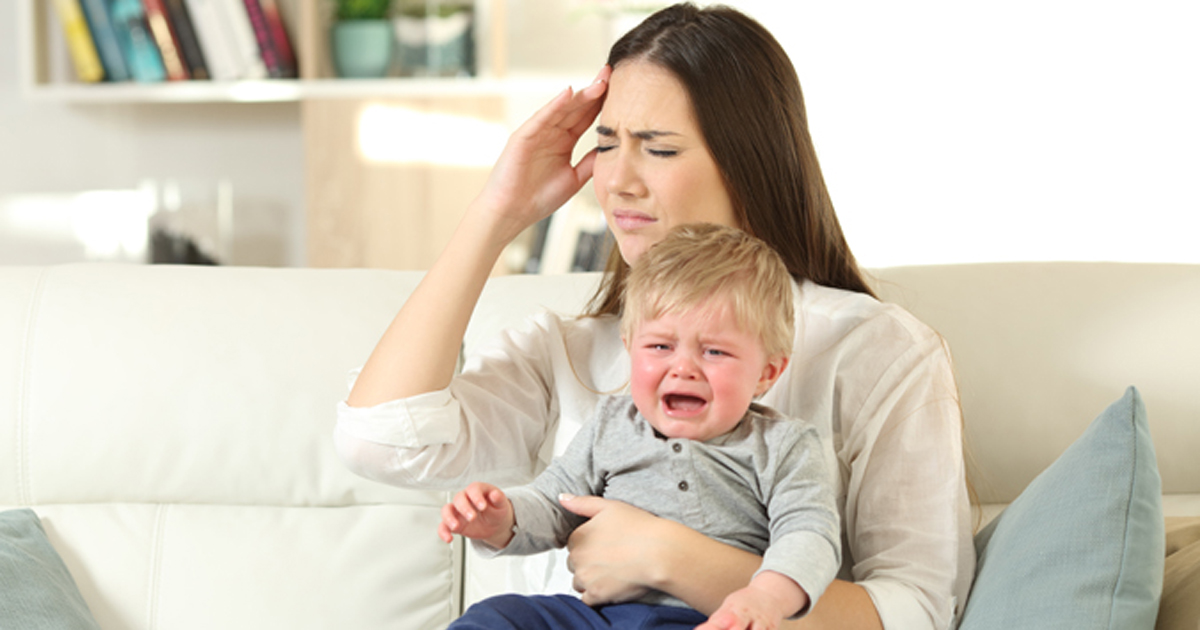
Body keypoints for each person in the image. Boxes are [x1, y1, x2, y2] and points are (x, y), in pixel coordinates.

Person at [335, 4, 974, 629]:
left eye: (659, 149)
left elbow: (918, 611)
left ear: (749, 162)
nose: (618, 181)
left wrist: (671, 558)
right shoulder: (567, 351)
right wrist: (495, 214)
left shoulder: (873, 348)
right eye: (606, 143)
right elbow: (380, 442)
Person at [439, 224, 840, 630]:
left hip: (705, 618)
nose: (683, 368)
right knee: (500, 615)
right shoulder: (612, 423)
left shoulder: (782, 444)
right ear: (631, 347)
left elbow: (809, 535)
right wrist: (502, 517)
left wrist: (765, 597)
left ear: (767, 372)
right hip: (596, 617)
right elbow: (555, 502)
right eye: (661, 346)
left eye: (715, 351)